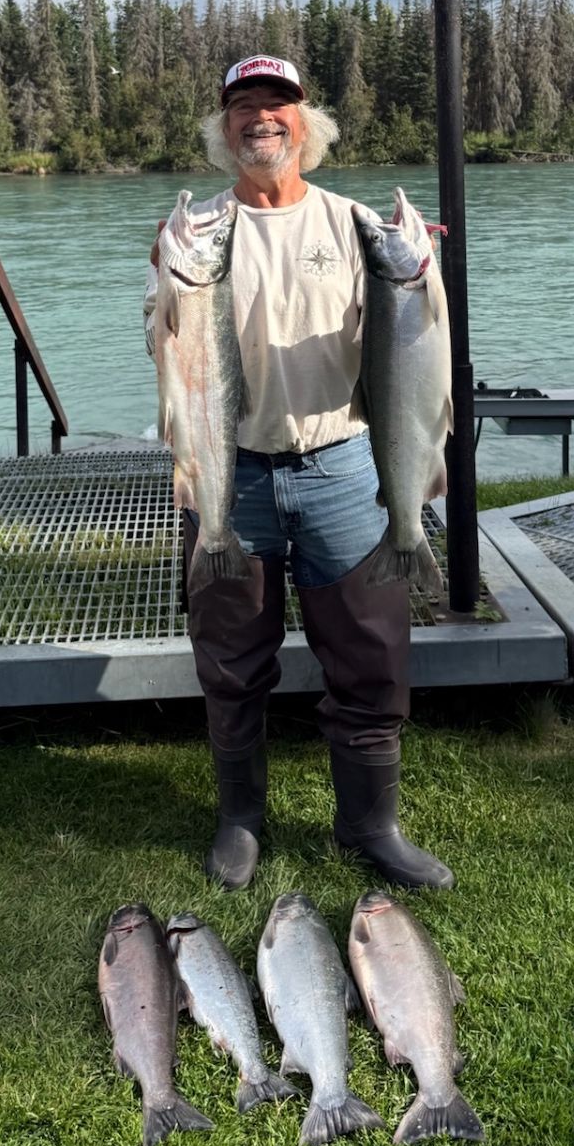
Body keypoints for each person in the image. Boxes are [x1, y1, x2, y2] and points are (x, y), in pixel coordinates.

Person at [145, 54, 453, 893]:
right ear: (224, 131)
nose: (260, 119)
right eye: (243, 107)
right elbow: (163, 350)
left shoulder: (357, 226)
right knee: (231, 657)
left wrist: (419, 280)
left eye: (276, 105)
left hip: (346, 466)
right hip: (228, 474)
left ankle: (370, 824)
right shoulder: (193, 235)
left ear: (306, 124)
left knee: (371, 653)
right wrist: (165, 296)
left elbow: (409, 356)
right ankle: (241, 819)